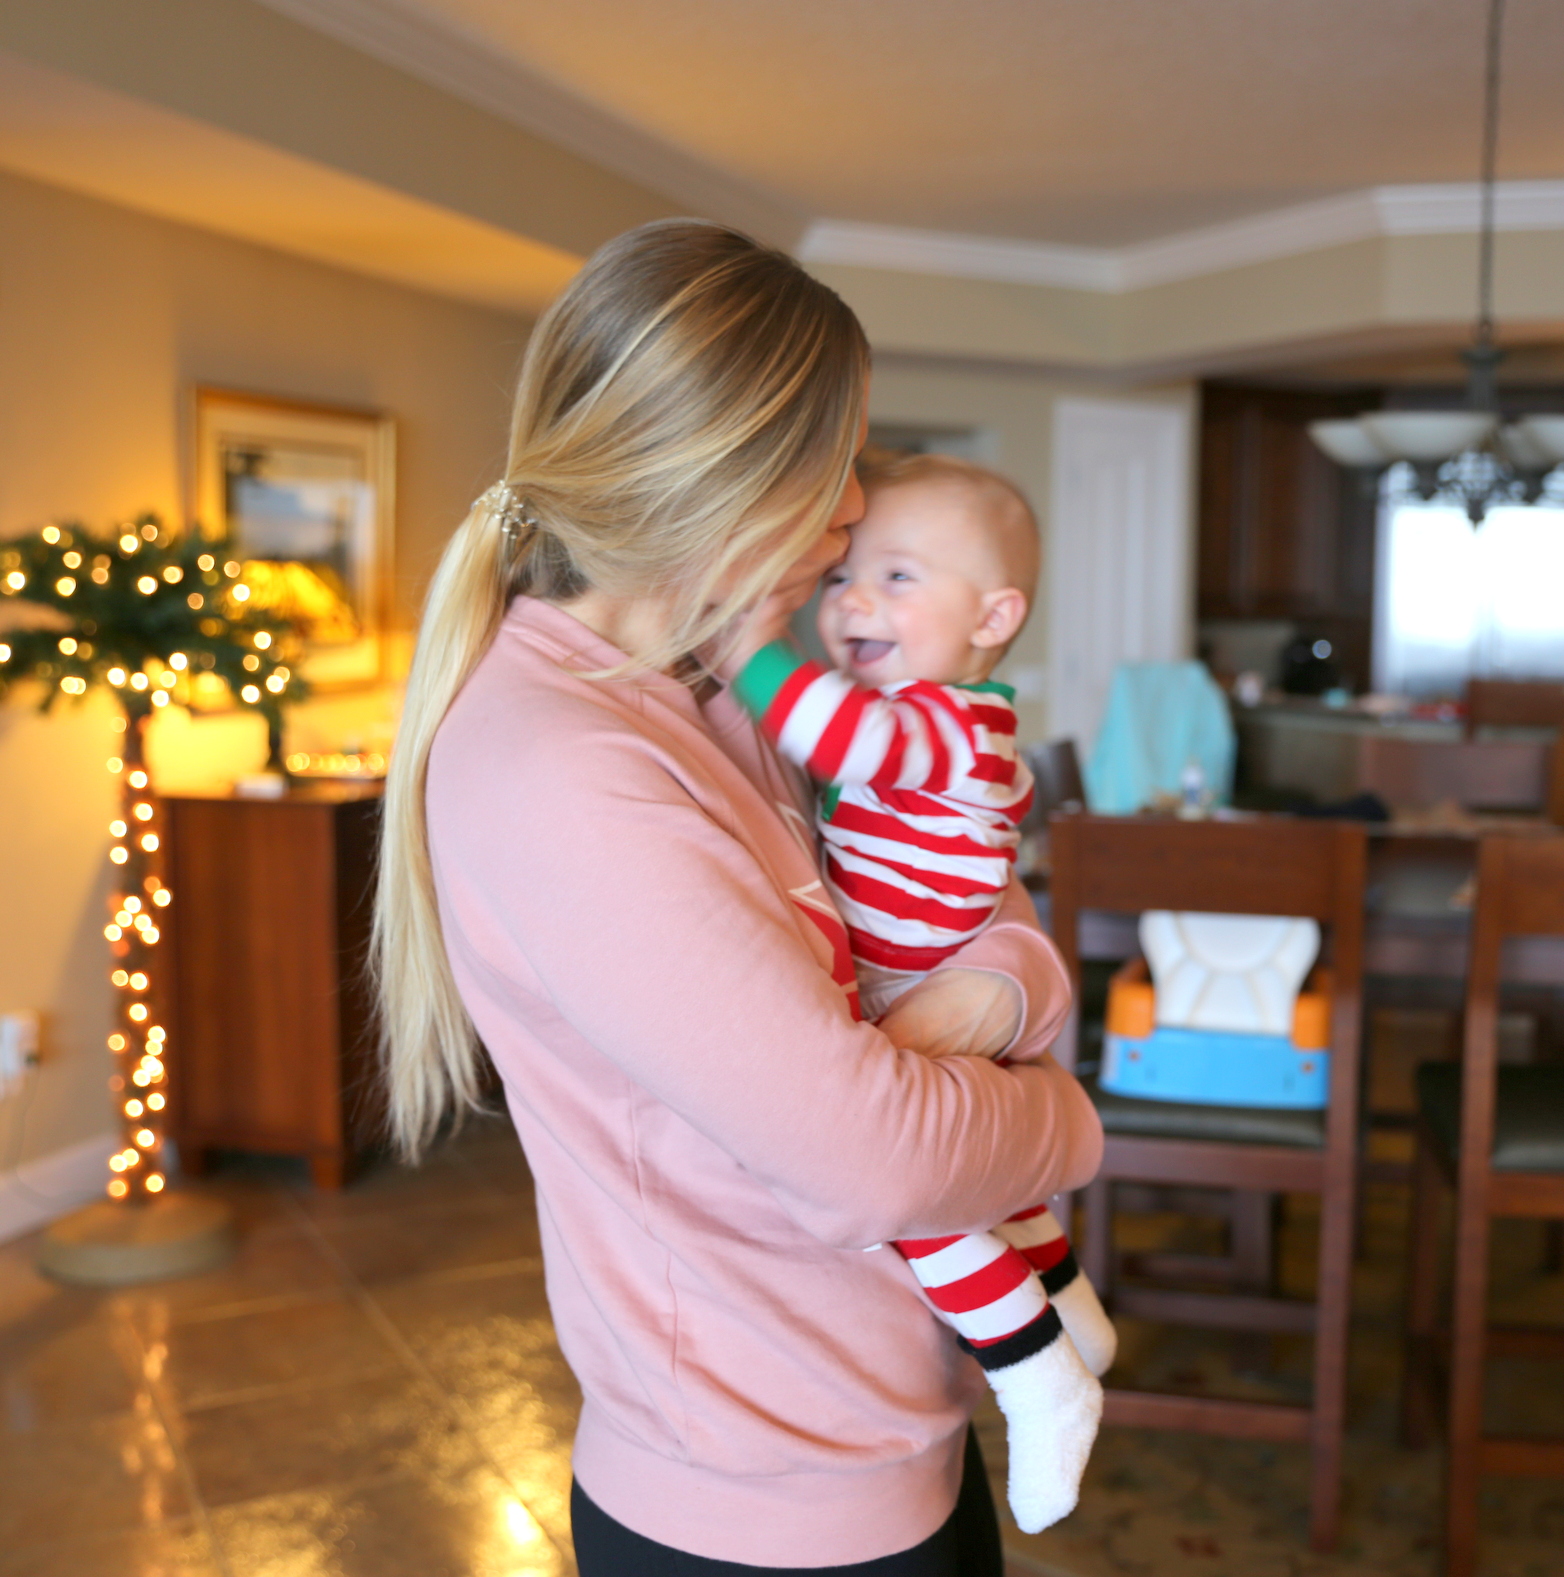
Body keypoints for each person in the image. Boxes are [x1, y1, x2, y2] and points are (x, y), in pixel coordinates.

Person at [372, 219, 1104, 1574]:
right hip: (762, 1508)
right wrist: (1065, 1118)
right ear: (728, 474)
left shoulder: (709, 695)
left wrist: (1001, 995)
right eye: (836, 464)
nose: (854, 509)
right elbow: (875, 1160)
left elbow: (965, 895)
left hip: (896, 1436)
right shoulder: (561, 765)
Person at [725, 451, 1116, 1534]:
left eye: (897, 578)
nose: (853, 601)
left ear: (994, 615)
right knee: (983, 1185)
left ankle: (1037, 1373)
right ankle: (1072, 1304)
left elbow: (834, 733)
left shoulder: (939, 722)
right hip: (935, 974)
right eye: (844, 576)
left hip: (913, 985)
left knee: (911, 1207)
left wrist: (747, 642)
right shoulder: (962, 719)